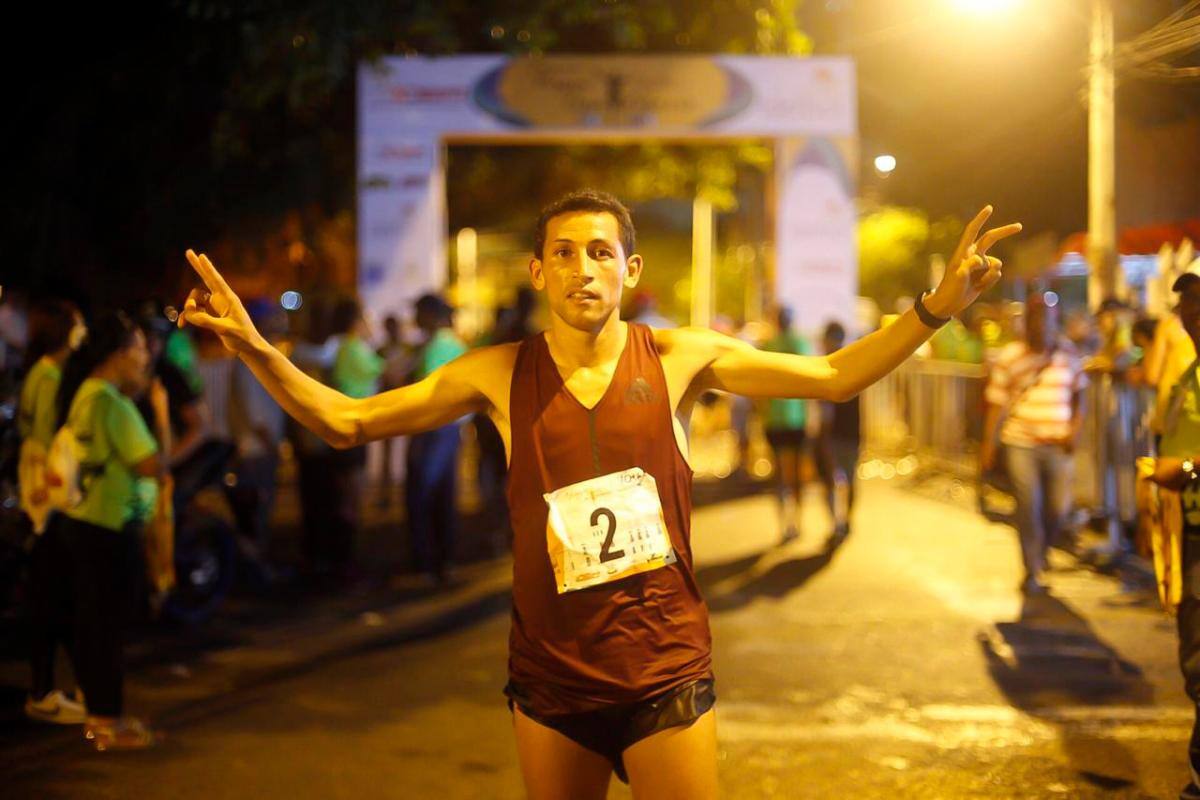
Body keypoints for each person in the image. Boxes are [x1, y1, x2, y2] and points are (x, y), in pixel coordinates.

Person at [179, 190, 1018, 798]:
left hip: (665, 672)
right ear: (538, 269)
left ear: (630, 267)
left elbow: (835, 377)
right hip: (551, 677)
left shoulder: (683, 357)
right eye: (568, 252)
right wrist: (254, 347)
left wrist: (934, 309)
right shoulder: (496, 373)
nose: (586, 268)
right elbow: (348, 422)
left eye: (603, 251)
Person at [54, 311, 169, 750]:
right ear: (118, 354)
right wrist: (158, 413)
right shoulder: (111, 403)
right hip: (108, 528)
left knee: (94, 624)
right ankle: (106, 724)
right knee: (105, 629)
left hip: (85, 524)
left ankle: (101, 716)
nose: (145, 356)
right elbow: (152, 465)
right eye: (139, 347)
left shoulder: (87, 393)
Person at [981, 291, 1087, 595]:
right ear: (1028, 322)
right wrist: (988, 446)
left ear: (1056, 321)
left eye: (1048, 318)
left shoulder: (1068, 355)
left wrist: (1074, 431)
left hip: (1057, 444)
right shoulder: (1011, 357)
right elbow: (996, 405)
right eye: (1037, 318)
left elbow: (1080, 397)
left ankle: (1040, 554)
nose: (1042, 325)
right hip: (1021, 442)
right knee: (1029, 505)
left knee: (1058, 508)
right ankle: (1031, 568)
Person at [18, 299, 87, 724]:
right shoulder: (48, 377)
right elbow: (46, 442)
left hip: (42, 498)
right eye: (79, 325)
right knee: (54, 601)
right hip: (47, 499)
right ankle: (43, 692)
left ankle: (50, 689)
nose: (84, 332)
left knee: (53, 600)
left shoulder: (46, 372)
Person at [1147, 265, 1200, 800]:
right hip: (1188, 532)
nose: (1193, 315)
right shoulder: (1189, 378)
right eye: (1187, 305)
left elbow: (1184, 461)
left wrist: (1184, 470)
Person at [405, 293, 467, 583]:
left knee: (423, 495)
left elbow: (426, 395)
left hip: (433, 430)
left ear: (431, 314)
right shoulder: (449, 343)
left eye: (418, 311)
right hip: (448, 430)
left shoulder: (438, 346)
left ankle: (426, 563)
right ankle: (445, 561)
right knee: (443, 496)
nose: (414, 318)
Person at [762, 307, 811, 543]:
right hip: (795, 418)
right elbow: (810, 382)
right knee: (795, 475)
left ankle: (784, 525)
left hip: (773, 418)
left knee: (779, 474)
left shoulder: (768, 346)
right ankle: (796, 522)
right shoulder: (800, 344)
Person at [816, 321, 861, 543]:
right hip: (851, 432)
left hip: (834, 433)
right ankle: (843, 522)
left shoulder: (826, 366)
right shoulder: (854, 362)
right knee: (848, 479)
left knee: (832, 480)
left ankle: (839, 524)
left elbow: (823, 409)